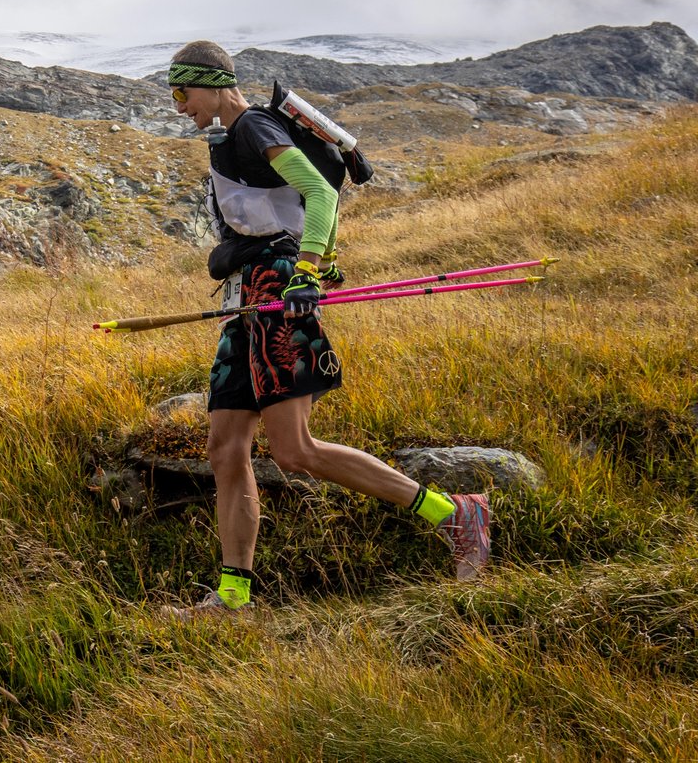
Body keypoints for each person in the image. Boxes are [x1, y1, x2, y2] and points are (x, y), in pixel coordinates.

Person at [163, 40, 491, 618]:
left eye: (182, 92)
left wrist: (310, 267)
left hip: (279, 294)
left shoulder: (253, 129)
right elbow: (297, 201)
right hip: (246, 301)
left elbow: (317, 191)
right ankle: (234, 596)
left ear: (212, 83)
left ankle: (456, 512)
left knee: (294, 451)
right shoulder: (232, 138)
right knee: (224, 449)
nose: (179, 106)